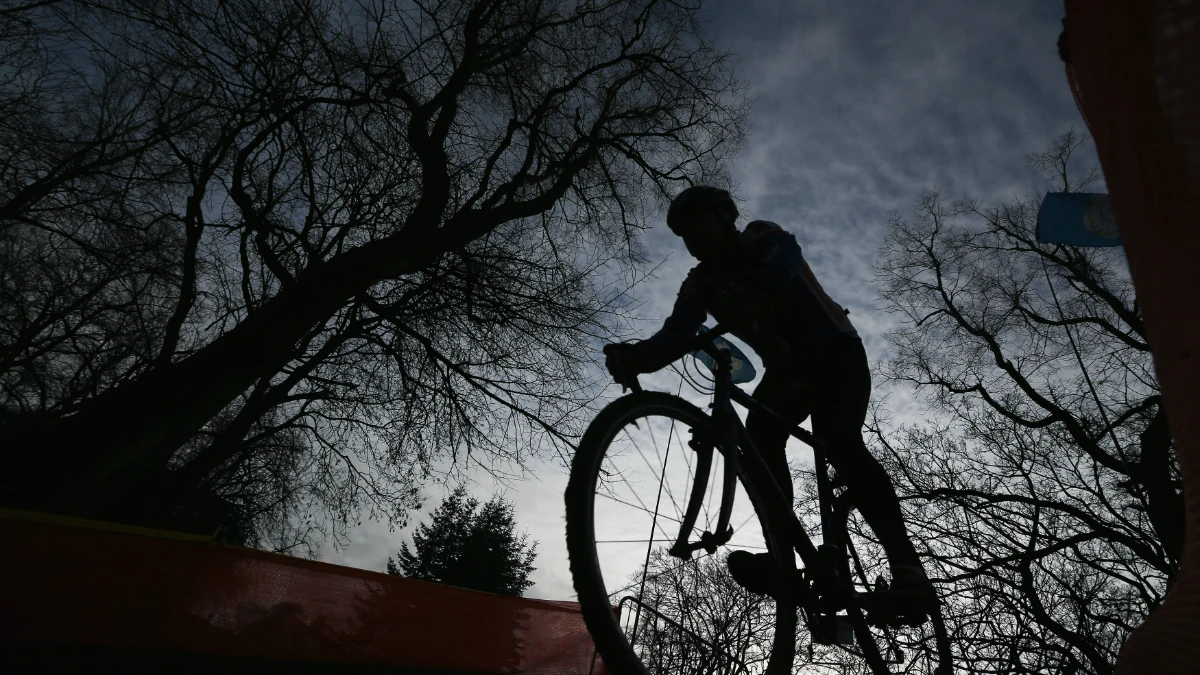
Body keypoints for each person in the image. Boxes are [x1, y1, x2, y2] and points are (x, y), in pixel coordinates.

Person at [603, 185, 936, 613]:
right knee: (759, 441)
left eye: (698, 223)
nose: (691, 238)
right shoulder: (700, 282)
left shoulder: (760, 237)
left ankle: (908, 569)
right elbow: (677, 332)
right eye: (683, 233)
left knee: (840, 443)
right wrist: (637, 357)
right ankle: (783, 559)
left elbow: (782, 263)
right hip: (788, 372)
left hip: (834, 351)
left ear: (724, 219)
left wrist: (753, 294)